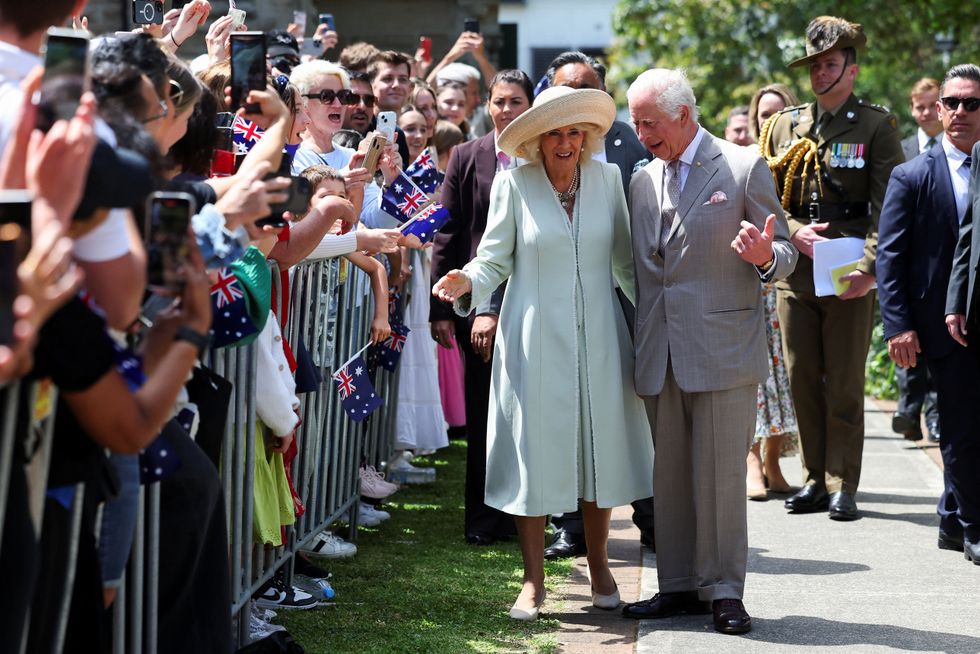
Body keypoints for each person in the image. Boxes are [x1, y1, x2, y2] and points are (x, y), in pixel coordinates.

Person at [432, 85, 653, 621]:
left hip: (599, 337)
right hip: (531, 339)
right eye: (555, 131)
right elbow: (492, 260)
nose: (566, 141)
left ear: (587, 136)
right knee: (534, 454)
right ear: (537, 139)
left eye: (575, 131)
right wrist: (465, 281)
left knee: (597, 453)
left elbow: (626, 264)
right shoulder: (514, 184)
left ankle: (600, 565)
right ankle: (533, 582)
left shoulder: (608, 181)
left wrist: (657, 312)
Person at [620, 68, 797, 635]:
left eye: (649, 121)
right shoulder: (642, 179)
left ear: (683, 115)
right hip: (659, 350)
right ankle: (676, 587)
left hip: (722, 349)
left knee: (721, 479)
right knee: (669, 477)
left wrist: (765, 256)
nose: (639, 131)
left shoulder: (743, 166)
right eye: (635, 120)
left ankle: (724, 590)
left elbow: (787, 251)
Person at [760, 16, 903, 521]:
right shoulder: (783, 125)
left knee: (842, 381)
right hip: (797, 265)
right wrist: (792, 229)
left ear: (851, 69)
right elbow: (765, 196)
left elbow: (889, 206)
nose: (820, 73)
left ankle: (844, 483)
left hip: (849, 264)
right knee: (802, 377)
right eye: (815, 65)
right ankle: (814, 479)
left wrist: (869, 266)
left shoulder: (875, 125)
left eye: (830, 64)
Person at [542, 49, 653, 558]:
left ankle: (652, 518)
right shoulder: (539, 147)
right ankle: (573, 525)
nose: (576, 97)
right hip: (561, 303)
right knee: (568, 409)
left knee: (634, 409)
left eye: (587, 87)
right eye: (566, 87)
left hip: (628, 298)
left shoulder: (632, 143)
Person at [880, 64, 980, 566]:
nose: (961, 112)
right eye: (953, 103)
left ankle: (950, 519)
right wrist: (897, 324)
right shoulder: (910, 175)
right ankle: (975, 527)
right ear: (938, 111)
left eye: (972, 103)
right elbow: (891, 257)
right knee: (961, 426)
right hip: (937, 326)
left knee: (967, 424)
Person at [429, 69, 533, 547]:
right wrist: (443, 309)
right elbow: (448, 233)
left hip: (531, 302)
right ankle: (483, 520)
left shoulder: (543, 155)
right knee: (483, 412)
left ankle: (528, 514)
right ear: (486, 106)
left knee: (528, 415)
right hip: (476, 305)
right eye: (499, 101)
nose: (507, 109)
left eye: (515, 101)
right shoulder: (467, 157)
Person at [746, 83, 802, 500]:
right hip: (748, 283)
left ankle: (772, 461)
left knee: (779, 377)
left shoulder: (800, 157)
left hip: (783, 280)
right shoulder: (741, 158)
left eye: (778, 112)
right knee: (753, 376)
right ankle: (750, 463)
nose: (770, 120)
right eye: (764, 112)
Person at [893, 77, 943, 442]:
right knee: (907, 339)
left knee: (943, 342)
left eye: (931, 105)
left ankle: (936, 413)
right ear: (912, 109)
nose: (925, 113)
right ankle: (908, 410)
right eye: (919, 106)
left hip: (945, 261)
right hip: (910, 263)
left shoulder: (961, 148)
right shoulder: (903, 149)